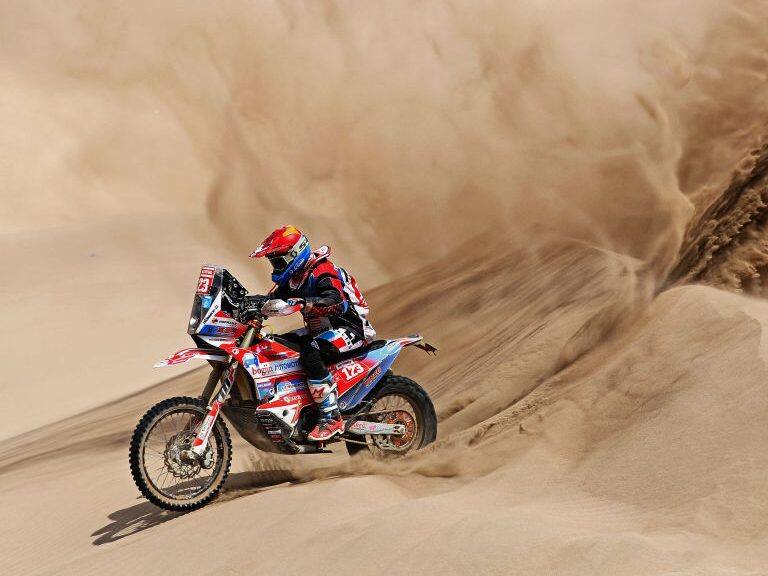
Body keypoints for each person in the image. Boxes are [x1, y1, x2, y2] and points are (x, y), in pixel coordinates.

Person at [247, 225, 376, 442]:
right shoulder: (295, 277)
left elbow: (336, 301)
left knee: (311, 353)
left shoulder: (322, 270)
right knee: (276, 345)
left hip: (351, 328)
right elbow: (272, 299)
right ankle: (300, 407)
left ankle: (330, 416)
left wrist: (306, 303)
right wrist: (247, 305)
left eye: (278, 261)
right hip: (323, 332)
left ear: (294, 255)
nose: (275, 266)